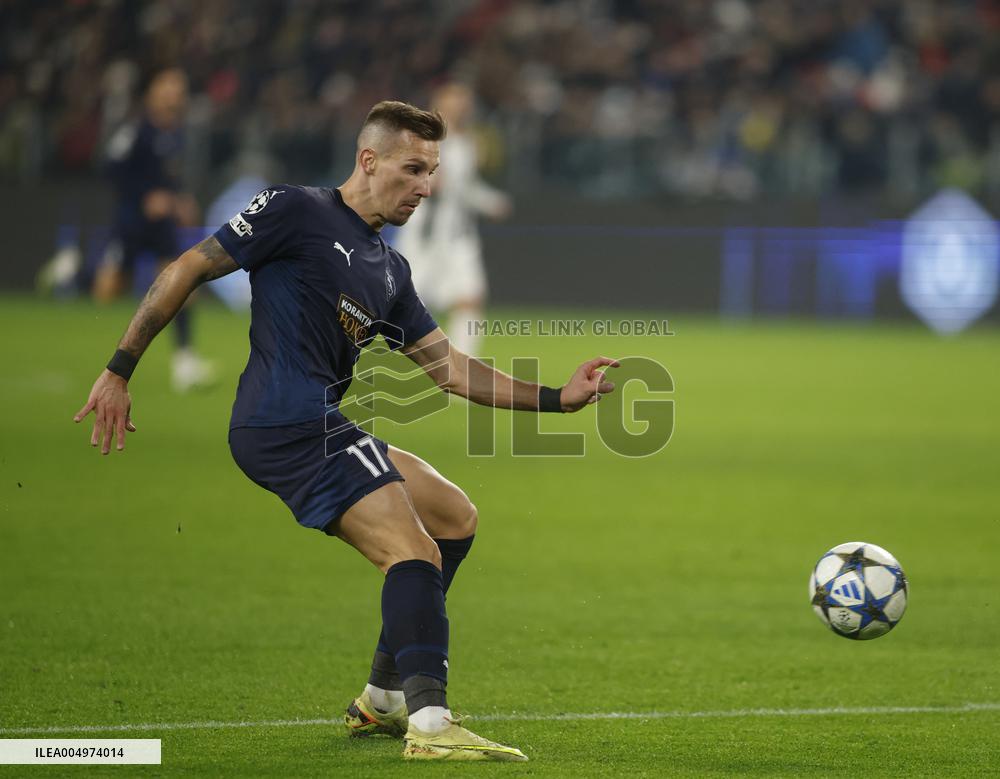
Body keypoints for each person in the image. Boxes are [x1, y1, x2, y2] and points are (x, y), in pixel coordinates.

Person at [74, 100, 618, 762]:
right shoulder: (293, 210)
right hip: (283, 421)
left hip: (320, 423)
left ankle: (383, 701)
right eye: (413, 168)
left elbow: (449, 369)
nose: (425, 186)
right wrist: (119, 369)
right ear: (369, 160)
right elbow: (188, 267)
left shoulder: (388, 269)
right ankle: (432, 723)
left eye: (433, 172)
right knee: (413, 552)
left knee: (452, 517)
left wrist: (558, 397)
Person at [95, 67, 215, 392]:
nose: (175, 94)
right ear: (153, 92)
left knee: (181, 281)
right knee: (107, 290)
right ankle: (70, 273)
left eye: (180, 89)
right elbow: (110, 168)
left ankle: (185, 361)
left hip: (161, 226)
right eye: (169, 87)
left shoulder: (176, 133)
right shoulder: (137, 129)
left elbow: (166, 180)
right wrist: (143, 196)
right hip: (131, 222)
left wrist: (179, 200)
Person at [394, 82, 511, 356]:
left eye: (463, 103)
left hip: (458, 235)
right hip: (424, 234)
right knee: (404, 302)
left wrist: (491, 202)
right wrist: (425, 179)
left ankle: (465, 366)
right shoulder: (420, 141)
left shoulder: (466, 144)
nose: (459, 109)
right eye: (453, 102)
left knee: (470, 297)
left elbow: (465, 188)